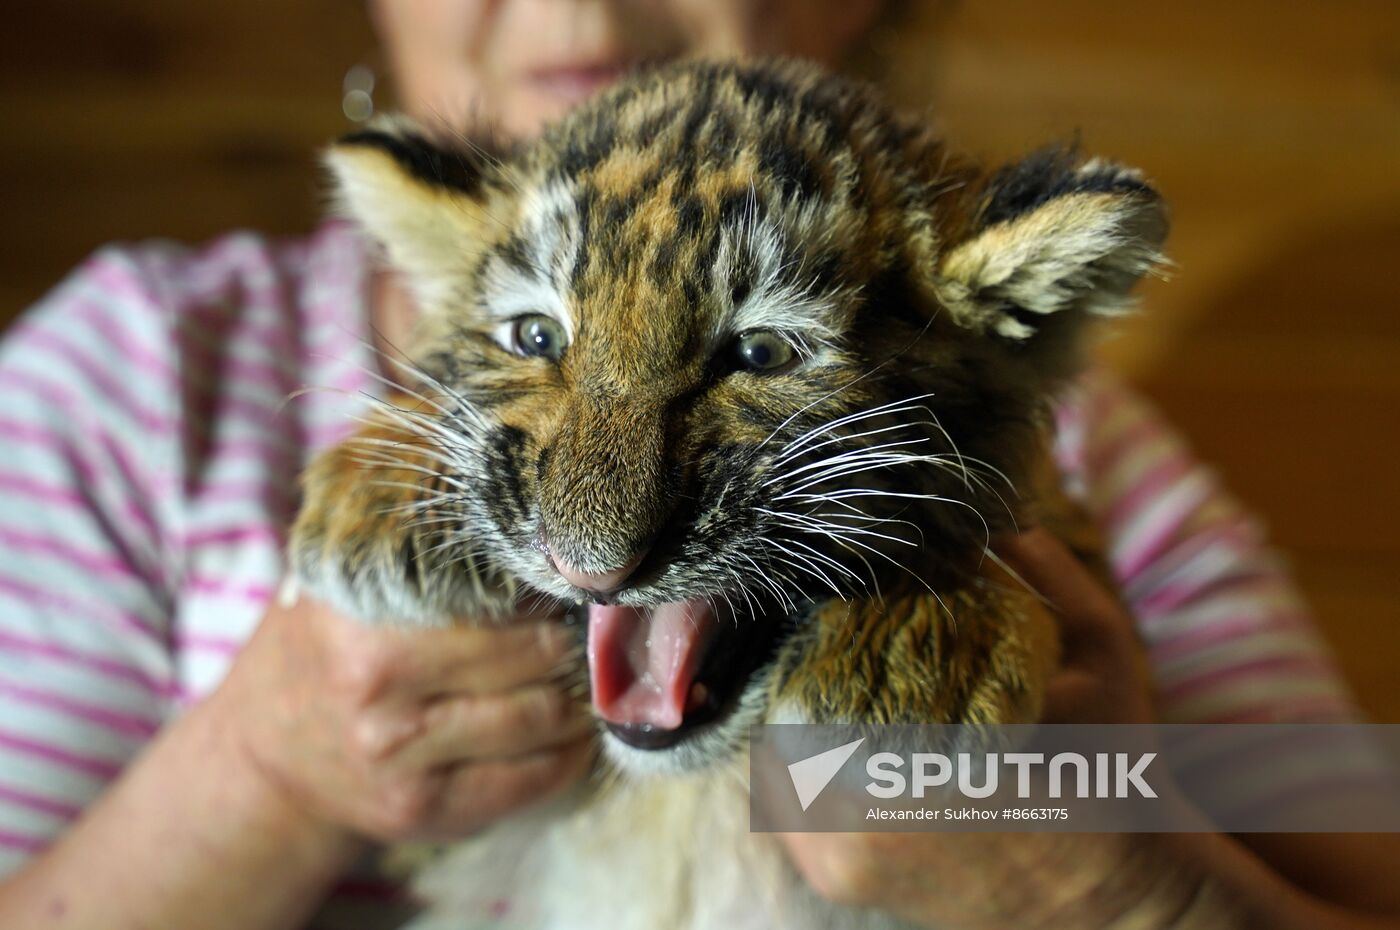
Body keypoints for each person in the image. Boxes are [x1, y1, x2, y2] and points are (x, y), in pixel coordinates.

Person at [0, 2, 1396, 928]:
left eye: (759, 356)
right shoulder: (139, 377)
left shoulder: (1080, 448)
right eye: (534, 332)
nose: (585, 10)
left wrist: (1099, 870)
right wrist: (260, 770)